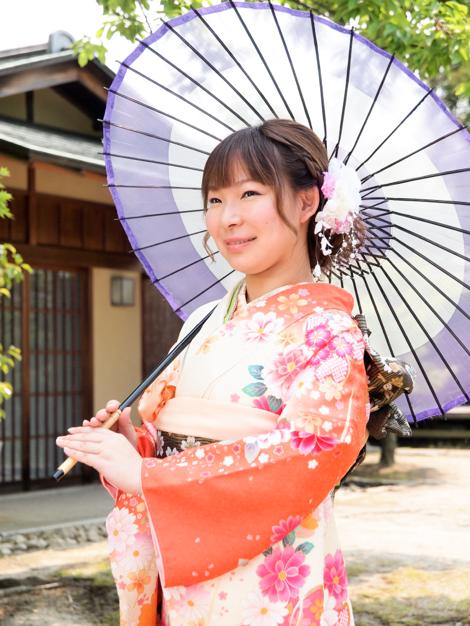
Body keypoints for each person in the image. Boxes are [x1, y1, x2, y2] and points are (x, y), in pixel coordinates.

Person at [56, 119, 370, 626]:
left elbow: (311, 452)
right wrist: (137, 444)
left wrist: (146, 476)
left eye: (249, 194)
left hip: (275, 576)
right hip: (184, 572)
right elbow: (168, 434)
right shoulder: (203, 320)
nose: (228, 218)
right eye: (215, 200)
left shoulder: (329, 331)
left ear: (307, 202)